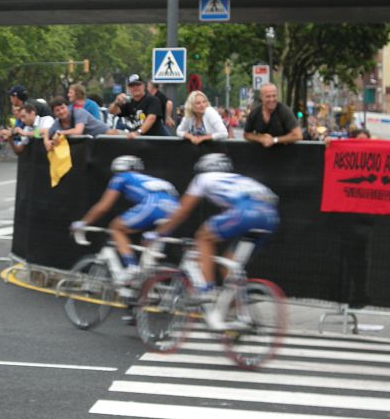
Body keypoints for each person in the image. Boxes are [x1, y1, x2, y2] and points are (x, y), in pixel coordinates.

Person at [149, 153, 279, 302]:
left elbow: (182, 211)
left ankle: (206, 289)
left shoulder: (202, 178)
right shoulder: (240, 179)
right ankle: (233, 310)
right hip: (270, 217)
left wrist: (159, 233)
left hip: (247, 211)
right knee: (228, 267)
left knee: (203, 236)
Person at [70, 155, 179, 283]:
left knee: (116, 227)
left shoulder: (121, 177)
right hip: (174, 210)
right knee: (150, 251)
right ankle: (145, 286)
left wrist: (83, 222)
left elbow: (104, 206)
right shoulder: (149, 179)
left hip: (154, 204)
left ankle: (131, 267)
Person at [45, 95, 111, 151]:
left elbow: (78, 131)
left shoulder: (79, 112)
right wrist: (47, 142)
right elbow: (46, 131)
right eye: (57, 110)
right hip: (93, 146)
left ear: (68, 107)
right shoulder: (57, 122)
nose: (61, 112)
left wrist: (60, 133)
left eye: (63, 108)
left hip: (109, 137)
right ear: (54, 113)